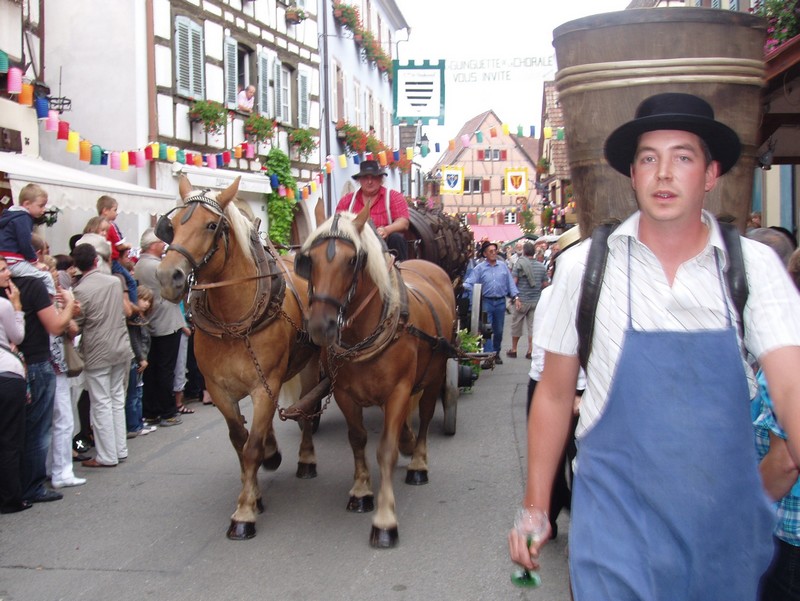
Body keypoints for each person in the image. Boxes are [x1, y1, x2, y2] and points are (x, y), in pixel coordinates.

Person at [509, 92, 800, 600]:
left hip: (721, 532)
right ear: (633, 174)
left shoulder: (753, 270)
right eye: (649, 158)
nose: (664, 173)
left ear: (710, 174)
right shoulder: (584, 270)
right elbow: (554, 395)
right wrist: (535, 507)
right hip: (614, 528)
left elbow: (791, 385)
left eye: (682, 157)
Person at [16, 255, 79, 504]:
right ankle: (36, 482)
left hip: (27, 362)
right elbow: (58, 327)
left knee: (36, 425)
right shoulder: (34, 288)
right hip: (42, 362)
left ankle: (33, 478)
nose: (49, 272)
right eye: (46, 267)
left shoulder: (19, 290)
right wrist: (69, 306)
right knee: (44, 426)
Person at [71, 243, 133, 467]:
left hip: (98, 349)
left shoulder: (80, 290)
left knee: (101, 402)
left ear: (77, 266)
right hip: (119, 344)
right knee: (117, 399)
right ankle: (120, 449)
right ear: (96, 261)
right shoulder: (114, 282)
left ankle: (107, 455)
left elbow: (77, 324)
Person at [136, 229, 186, 427]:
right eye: (161, 242)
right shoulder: (157, 266)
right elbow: (177, 287)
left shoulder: (140, 264)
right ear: (153, 245)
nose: (164, 245)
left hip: (151, 321)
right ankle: (168, 411)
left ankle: (151, 411)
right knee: (166, 369)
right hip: (166, 321)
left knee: (153, 369)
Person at [335, 160, 410, 261]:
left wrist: (386, 230)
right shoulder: (347, 201)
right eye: (365, 178)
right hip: (356, 246)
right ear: (359, 180)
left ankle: (399, 272)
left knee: (397, 238)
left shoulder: (393, 196)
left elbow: (403, 222)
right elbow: (337, 224)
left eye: (373, 177)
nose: (369, 182)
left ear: (380, 179)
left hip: (386, 245)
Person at [0, 257, 29, 513]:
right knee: (9, 439)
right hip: (6, 375)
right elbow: (17, 335)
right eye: (2, 270)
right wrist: (17, 307)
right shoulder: (3, 305)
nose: (8, 273)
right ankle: (11, 497)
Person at [463, 240, 519, 366]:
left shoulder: (503, 266)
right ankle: (489, 356)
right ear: (485, 254)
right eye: (491, 251)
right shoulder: (479, 268)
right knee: (487, 329)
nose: (494, 253)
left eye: (495, 251)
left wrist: (515, 297)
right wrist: (469, 289)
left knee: (498, 330)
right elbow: (469, 283)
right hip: (487, 301)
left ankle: (496, 352)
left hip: (500, 302)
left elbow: (510, 282)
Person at [0, 183, 56, 295]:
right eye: (41, 206)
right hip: (14, 261)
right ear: (27, 204)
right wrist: (35, 262)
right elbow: (25, 243)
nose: (44, 210)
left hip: (5, 260)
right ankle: (50, 304)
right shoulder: (24, 218)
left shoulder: (9, 217)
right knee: (46, 276)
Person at [507, 241, 547, 359]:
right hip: (535, 301)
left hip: (521, 301)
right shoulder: (541, 266)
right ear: (534, 252)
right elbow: (545, 284)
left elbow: (514, 283)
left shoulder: (519, 265)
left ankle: (514, 349)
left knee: (517, 325)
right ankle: (530, 350)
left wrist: (515, 297)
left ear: (524, 251)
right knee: (533, 327)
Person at [97, 195, 137, 304]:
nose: (117, 213)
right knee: (131, 282)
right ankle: (135, 311)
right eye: (115, 210)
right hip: (113, 261)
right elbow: (120, 245)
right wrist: (128, 245)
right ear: (105, 211)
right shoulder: (111, 225)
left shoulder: (95, 223)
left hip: (100, 262)